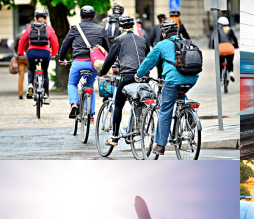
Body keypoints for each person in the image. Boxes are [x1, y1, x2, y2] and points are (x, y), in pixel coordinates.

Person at [135, 20, 199, 155]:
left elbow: (148, 62)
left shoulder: (161, 45)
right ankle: (188, 115)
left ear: (163, 34)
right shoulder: (186, 42)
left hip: (173, 80)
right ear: (176, 32)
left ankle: (160, 146)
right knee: (180, 92)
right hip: (192, 78)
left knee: (165, 110)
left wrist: (139, 75)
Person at [98, 16, 150, 146]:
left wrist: (103, 72)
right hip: (143, 76)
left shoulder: (119, 39)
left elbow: (110, 59)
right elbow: (148, 57)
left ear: (120, 28)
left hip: (127, 75)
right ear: (133, 26)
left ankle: (115, 137)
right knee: (139, 99)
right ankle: (139, 125)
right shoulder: (142, 39)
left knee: (118, 105)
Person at [59, 5, 110, 122]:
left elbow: (65, 45)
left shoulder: (75, 28)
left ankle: (74, 105)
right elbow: (107, 49)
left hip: (78, 63)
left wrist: (62, 59)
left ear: (81, 16)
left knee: (72, 83)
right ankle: (91, 114)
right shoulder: (100, 29)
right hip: (94, 64)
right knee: (90, 85)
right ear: (94, 16)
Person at [18, 9, 59, 105]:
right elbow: (55, 43)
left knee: (32, 69)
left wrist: (21, 52)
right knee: (44, 73)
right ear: (46, 18)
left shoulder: (30, 27)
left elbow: (22, 41)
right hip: (45, 53)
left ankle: (30, 85)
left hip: (32, 53)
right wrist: (53, 53)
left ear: (35, 18)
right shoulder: (49, 28)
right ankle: (46, 95)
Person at [210, 16, 238, 82]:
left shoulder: (217, 30)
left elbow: (214, 40)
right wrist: (236, 46)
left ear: (220, 24)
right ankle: (231, 73)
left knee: (219, 64)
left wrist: (213, 47)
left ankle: (220, 79)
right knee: (230, 62)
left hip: (220, 49)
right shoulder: (230, 29)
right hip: (229, 48)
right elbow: (235, 39)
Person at [14, 26, 29, 100]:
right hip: (30, 58)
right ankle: (31, 92)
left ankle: (20, 94)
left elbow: (15, 47)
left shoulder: (19, 35)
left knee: (21, 76)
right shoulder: (32, 35)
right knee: (31, 74)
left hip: (21, 58)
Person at [149, 13, 167, 78]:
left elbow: (151, 38)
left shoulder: (156, 27)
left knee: (159, 66)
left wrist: (152, 46)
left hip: (158, 49)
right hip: (166, 49)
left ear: (159, 20)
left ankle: (159, 80)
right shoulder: (167, 27)